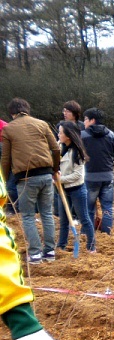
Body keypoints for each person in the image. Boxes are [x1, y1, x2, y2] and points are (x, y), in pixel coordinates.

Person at [0, 171, 70, 340]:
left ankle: (40, 252)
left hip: (28, 179)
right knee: (38, 214)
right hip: (39, 178)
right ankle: (47, 249)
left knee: (31, 215)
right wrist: (23, 322)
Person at [1, 98, 60, 264]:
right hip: (46, 174)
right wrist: (55, 169)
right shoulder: (42, 124)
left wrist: (3, 180)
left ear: (12, 113)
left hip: (25, 178)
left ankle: (35, 253)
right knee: (46, 214)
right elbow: (55, 149)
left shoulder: (8, 129)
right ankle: (50, 251)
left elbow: (5, 159)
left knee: (27, 216)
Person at [55, 121, 96, 253]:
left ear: (68, 135)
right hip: (63, 190)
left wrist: (60, 179)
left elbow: (77, 175)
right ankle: (61, 246)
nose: (58, 135)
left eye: (61, 133)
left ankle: (91, 246)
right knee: (63, 221)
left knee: (84, 218)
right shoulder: (59, 147)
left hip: (77, 190)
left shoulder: (77, 152)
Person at [82, 108, 114, 234]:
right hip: (108, 175)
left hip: (90, 176)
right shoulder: (110, 134)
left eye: (85, 119)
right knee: (107, 207)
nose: (84, 122)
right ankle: (107, 233)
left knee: (88, 208)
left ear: (92, 120)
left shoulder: (83, 136)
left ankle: (88, 233)